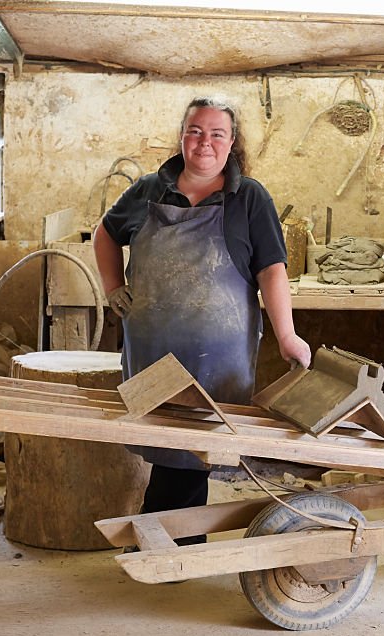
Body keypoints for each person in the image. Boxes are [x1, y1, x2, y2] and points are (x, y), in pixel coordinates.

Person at [93, 95, 311, 543]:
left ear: (232, 143)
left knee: (196, 450)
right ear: (182, 137)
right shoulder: (148, 189)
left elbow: (272, 268)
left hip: (216, 354)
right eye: (195, 131)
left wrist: (287, 335)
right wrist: (114, 287)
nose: (204, 142)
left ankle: (170, 543)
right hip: (152, 348)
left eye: (217, 134)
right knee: (164, 444)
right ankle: (170, 544)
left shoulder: (249, 197)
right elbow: (105, 233)